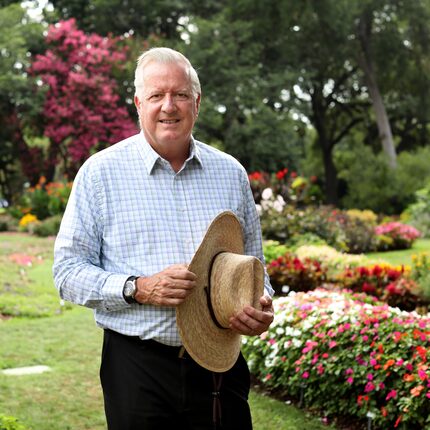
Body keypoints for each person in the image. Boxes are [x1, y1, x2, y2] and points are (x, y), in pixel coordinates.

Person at [53, 47, 274, 430]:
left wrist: (261, 305)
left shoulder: (230, 173)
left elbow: (256, 264)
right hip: (138, 369)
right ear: (139, 103)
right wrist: (139, 288)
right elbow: (67, 272)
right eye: (157, 95)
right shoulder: (100, 174)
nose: (168, 106)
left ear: (197, 102)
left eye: (180, 94)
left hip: (221, 369)